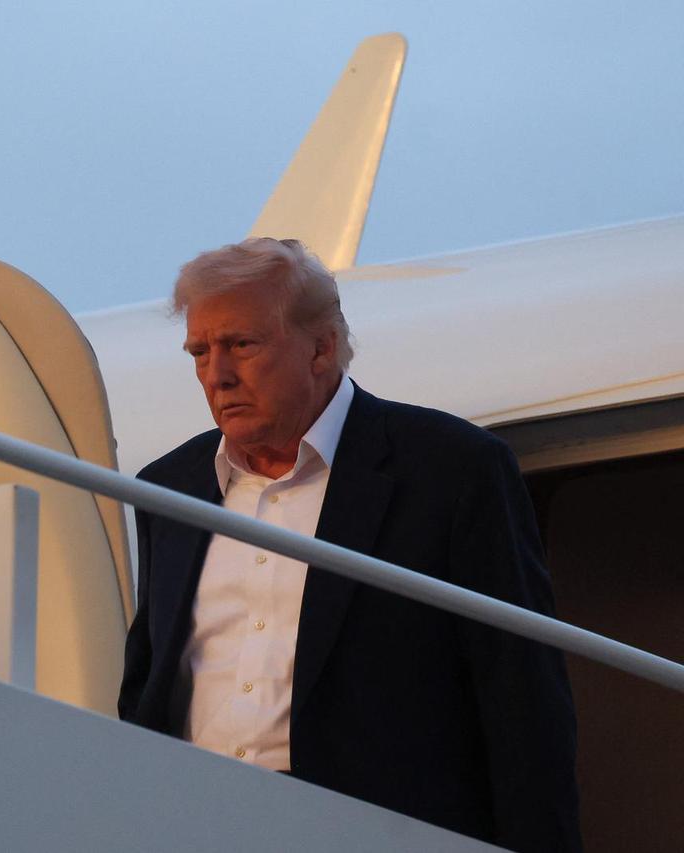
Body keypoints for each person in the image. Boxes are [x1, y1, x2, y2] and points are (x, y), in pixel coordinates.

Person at [118, 238, 580, 851]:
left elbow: (521, 696)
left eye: (241, 345)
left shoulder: (451, 470)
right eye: (200, 352)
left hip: (382, 828)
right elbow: (151, 683)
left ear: (321, 347)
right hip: (201, 824)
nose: (216, 374)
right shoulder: (167, 489)